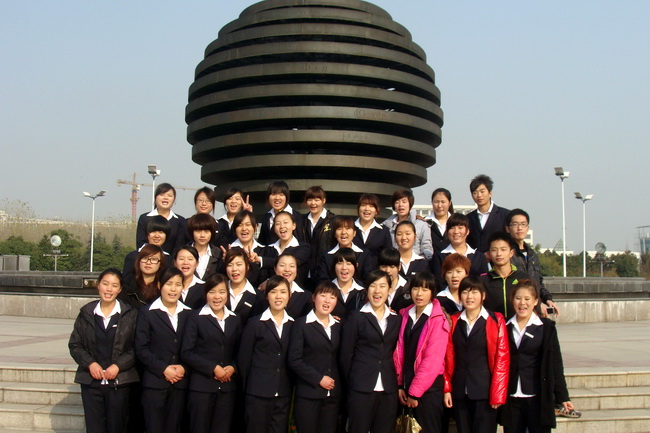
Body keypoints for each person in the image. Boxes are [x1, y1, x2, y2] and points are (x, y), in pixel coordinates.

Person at [68, 268, 139, 433]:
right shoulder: (86, 313)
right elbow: (75, 345)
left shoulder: (130, 315)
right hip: (91, 382)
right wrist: (90, 364)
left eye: (114, 285)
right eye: (105, 284)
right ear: (98, 285)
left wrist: (118, 366)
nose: (109, 289)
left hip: (120, 382)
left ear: (120, 289)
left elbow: (137, 347)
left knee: (117, 427)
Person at [500, 280, 575, 433]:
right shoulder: (504, 326)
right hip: (511, 397)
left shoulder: (546, 327)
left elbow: (555, 364)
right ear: (512, 300)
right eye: (518, 298)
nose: (522, 303)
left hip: (537, 396)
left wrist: (563, 397)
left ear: (535, 301)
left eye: (527, 299)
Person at [443, 276, 510, 433]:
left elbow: (502, 358)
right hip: (460, 390)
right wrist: (447, 389)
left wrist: (498, 394)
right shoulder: (453, 321)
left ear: (483, 296)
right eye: (465, 292)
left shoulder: (495, 320)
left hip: (485, 391)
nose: (469, 297)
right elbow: (446, 357)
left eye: (474, 292)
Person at [340, 270, 401, 433]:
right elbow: (346, 355)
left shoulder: (396, 319)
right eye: (373, 286)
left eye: (382, 286)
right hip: (361, 387)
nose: (377, 291)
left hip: (388, 388)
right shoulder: (356, 317)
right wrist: (354, 380)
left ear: (389, 289)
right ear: (366, 289)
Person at [181, 273, 241, 433]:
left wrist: (233, 367)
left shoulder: (235, 319)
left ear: (227, 294)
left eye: (221, 292)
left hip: (227, 387)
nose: (217, 297)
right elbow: (187, 352)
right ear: (206, 294)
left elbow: (240, 352)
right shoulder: (195, 317)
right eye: (212, 292)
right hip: (202, 387)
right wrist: (213, 368)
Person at [135, 267, 191, 433]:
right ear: (159, 285)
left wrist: (184, 368)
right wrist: (163, 368)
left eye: (178, 284)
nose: (173, 289)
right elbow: (141, 348)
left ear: (183, 287)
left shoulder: (189, 314)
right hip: (155, 383)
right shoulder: (147, 313)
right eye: (169, 284)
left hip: (181, 383)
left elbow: (194, 348)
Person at [393, 271, 450, 433]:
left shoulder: (437, 319)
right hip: (406, 385)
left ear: (432, 293)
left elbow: (432, 361)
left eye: (425, 289)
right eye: (416, 288)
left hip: (428, 389)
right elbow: (399, 352)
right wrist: (400, 384)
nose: (419, 294)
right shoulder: (405, 314)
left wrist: (415, 393)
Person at [238, 275, 294, 433]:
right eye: (273, 292)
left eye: (283, 292)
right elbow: (244, 360)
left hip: (283, 393)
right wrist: (249, 388)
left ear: (289, 295)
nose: (278, 296)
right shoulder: (255, 323)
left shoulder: (294, 325)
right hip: (257, 393)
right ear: (266, 295)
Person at [288, 281, 342, 433]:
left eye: (332, 297)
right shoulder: (301, 324)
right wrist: (319, 378)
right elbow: (294, 360)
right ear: (313, 297)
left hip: (332, 395)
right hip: (308, 393)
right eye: (323, 295)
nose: (327, 301)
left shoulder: (339, 326)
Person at [505, 209, 558, 315]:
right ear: (507, 229)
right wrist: (538, 305)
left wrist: (547, 299)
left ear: (527, 228)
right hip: (516, 309)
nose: (519, 228)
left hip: (534, 308)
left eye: (523, 224)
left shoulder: (532, 254)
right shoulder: (506, 253)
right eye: (515, 224)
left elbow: (538, 282)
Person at [430, 213, 488, 290]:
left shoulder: (479, 257)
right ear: (447, 231)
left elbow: (483, 282)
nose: (456, 231)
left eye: (460, 228)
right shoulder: (439, 257)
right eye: (452, 228)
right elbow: (438, 283)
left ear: (467, 231)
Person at [480, 232, 531, 319]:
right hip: (493, 325)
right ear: (489, 254)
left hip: (518, 324)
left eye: (503, 249)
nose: (499, 254)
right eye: (494, 250)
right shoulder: (483, 280)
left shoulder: (523, 278)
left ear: (511, 253)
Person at [263, 211, 311, 287]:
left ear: (294, 225)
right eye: (278, 224)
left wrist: (262, 260)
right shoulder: (268, 249)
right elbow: (264, 274)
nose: (282, 226)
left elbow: (285, 261)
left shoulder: (303, 248)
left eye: (285, 222)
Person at [258, 253, 313, 319]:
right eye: (282, 265)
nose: (287, 269)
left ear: (297, 269)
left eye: (292, 266)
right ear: (275, 268)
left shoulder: (306, 297)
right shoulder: (263, 292)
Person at [382, 189, 433, 259]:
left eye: (404, 202)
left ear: (410, 204)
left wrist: (420, 260)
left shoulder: (422, 225)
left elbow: (427, 247)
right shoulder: (386, 226)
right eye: (397, 202)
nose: (400, 205)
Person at [136, 183, 186, 254]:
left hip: (171, 260)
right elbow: (140, 244)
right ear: (155, 197)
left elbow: (179, 246)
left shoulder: (180, 221)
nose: (165, 198)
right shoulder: (144, 218)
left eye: (169, 195)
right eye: (162, 195)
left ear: (174, 199)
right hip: (148, 258)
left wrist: (169, 259)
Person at [227, 210, 273, 287]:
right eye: (240, 225)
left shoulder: (266, 251)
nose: (244, 228)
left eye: (248, 224)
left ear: (255, 227)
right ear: (235, 228)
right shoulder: (228, 250)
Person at [317, 216, 369, 283]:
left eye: (347, 228)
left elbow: (367, 280)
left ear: (354, 233)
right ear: (335, 234)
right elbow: (322, 281)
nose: (343, 232)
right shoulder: (326, 256)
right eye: (339, 229)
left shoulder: (364, 255)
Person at [122, 216, 172, 285]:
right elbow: (125, 282)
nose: (157, 236)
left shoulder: (168, 259)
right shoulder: (133, 256)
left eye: (161, 232)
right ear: (147, 234)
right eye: (153, 231)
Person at [302, 186, 336, 288]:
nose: (313, 203)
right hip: (304, 273)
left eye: (317, 200)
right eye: (310, 200)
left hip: (324, 272)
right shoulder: (302, 221)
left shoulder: (333, 221)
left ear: (323, 200)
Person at [466, 175, 510, 253]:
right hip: (475, 259)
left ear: (490, 193)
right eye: (475, 192)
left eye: (482, 191)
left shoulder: (505, 215)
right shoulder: (468, 218)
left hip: (498, 258)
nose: (479, 195)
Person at [120, 244, 167, 309]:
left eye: (154, 259)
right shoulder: (127, 286)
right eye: (145, 258)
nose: (148, 262)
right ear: (138, 261)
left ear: (160, 264)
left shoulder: (163, 287)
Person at [258, 180, 304, 245]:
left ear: (286, 197)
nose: (277, 198)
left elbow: (301, 242)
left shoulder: (296, 216)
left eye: (281, 194)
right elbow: (262, 242)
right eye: (273, 194)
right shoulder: (267, 216)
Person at [353, 193, 392, 271]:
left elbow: (387, 256)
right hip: (351, 274)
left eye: (371, 206)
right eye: (363, 205)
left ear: (376, 211)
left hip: (375, 275)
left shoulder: (383, 231)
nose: (367, 209)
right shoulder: (350, 228)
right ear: (358, 209)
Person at [224, 247, 262, 325]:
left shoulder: (258, 297)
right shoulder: (218, 292)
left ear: (247, 266)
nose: (234, 269)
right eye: (230, 265)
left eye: (239, 264)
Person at [329, 248, 366, 320]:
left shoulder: (363, 292)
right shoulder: (325, 289)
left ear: (356, 266)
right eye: (340, 263)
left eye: (348, 263)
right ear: (334, 266)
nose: (344, 267)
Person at [187, 213, 223, 280]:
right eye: (198, 231)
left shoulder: (219, 254)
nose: (202, 235)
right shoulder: (182, 252)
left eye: (206, 231)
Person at [377, 247, 411, 312]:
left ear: (399, 266)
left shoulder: (409, 287)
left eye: (392, 266)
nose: (388, 270)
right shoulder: (373, 288)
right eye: (384, 266)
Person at [426, 188, 454, 253]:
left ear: (449, 203)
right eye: (436, 202)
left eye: (443, 202)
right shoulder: (425, 222)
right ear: (432, 202)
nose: (439, 206)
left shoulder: (455, 222)